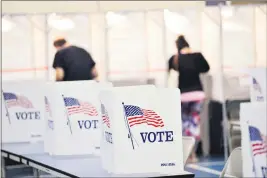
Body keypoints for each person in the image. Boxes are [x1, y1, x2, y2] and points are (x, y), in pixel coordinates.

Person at [168, 35, 210, 163]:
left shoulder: (175, 58)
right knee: (194, 124)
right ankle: (193, 154)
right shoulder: (197, 56)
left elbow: (170, 72)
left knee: (183, 124)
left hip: (182, 96)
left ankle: (187, 154)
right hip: (197, 94)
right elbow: (206, 68)